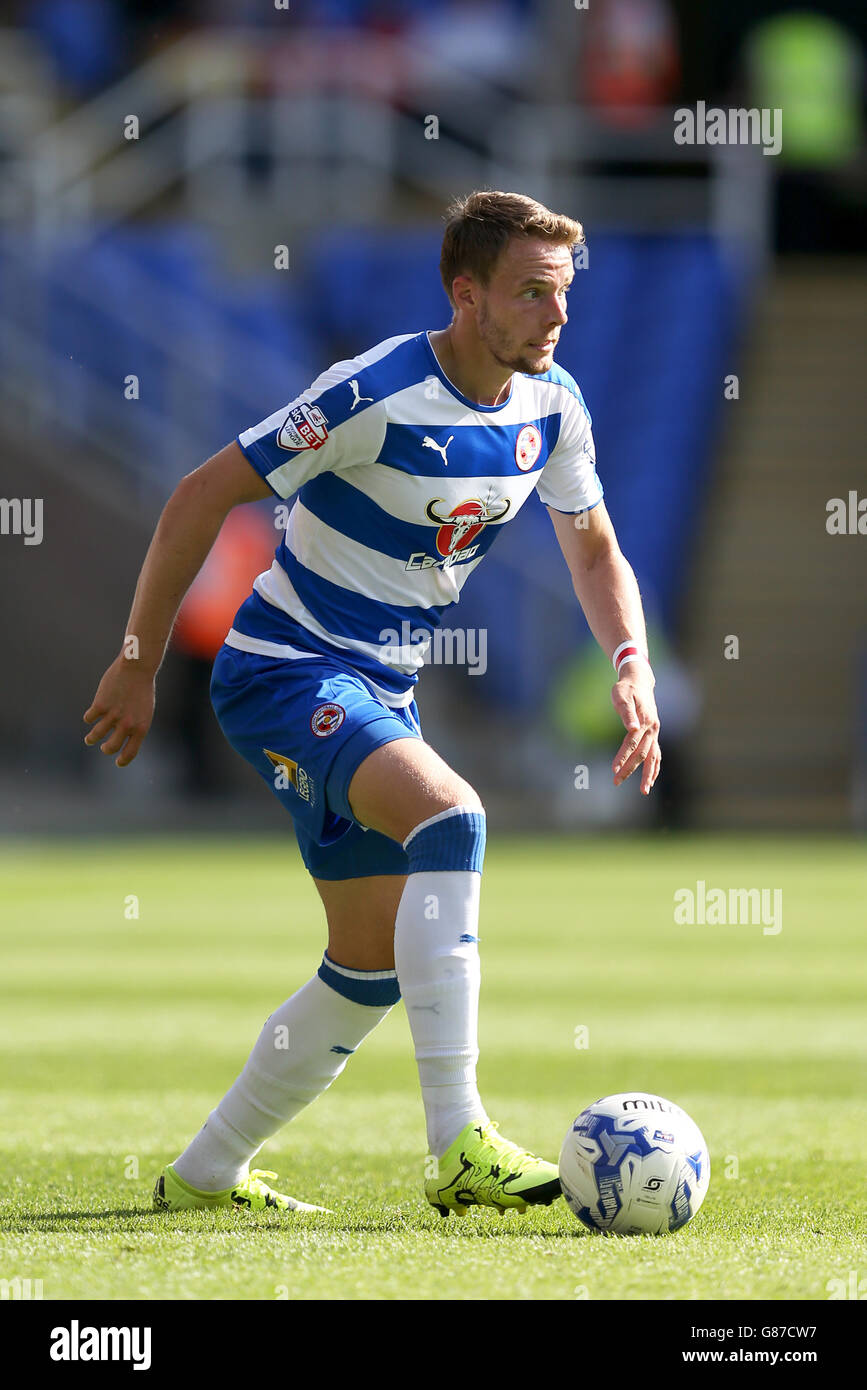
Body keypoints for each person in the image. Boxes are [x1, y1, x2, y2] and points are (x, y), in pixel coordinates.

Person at [83, 191, 661, 1219]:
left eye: (563, 294)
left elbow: (594, 545)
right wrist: (138, 658)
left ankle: (204, 1175)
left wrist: (629, 658)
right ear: (465, 293)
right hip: (283, 667)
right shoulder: (373, 392)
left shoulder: (552, 405)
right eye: (530, 294)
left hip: (377, 684)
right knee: (456, 816)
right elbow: (198, 495)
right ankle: (459, 1144)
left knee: (368, 964)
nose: (552, 315)